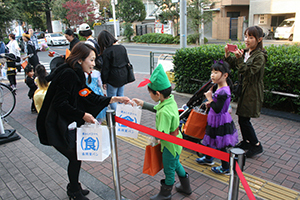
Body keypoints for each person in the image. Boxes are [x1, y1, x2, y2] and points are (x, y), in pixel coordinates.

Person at [36, 42, 131, 200]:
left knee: (76, 156)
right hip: (53, 125)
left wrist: (114, 98)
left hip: (61, 123)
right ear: (80, 60)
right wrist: (82, 115)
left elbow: (87, 95)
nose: (94, 64)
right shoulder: (69, 74)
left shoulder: (75, 73)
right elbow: (60, 104)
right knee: (75, 156)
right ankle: (73, 190)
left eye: (95, 60)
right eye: (91, 60)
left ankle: (74, 186)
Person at [132, 64, 192, 200]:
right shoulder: (170, 100)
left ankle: (165, 194)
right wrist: (143, 104)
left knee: (169, 169)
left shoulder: (164, 112)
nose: (149, 95)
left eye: (150, 93)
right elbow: (158, 108)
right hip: (177, 141)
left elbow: (161, 134)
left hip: (169, 145)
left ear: (157, 94)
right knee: (176, 164)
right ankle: (186, 187)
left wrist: (154, 140)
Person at [224, 26, 267, 158]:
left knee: (244, 118)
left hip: (252, 91)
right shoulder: (248, 52)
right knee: (242, 117)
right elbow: (234, 65)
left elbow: (248, 71)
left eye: (251, 37)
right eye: (246, 36)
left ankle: (256, 145)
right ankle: (247, 142)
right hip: (244, 89)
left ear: (259, 39)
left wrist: (239, 59)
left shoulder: (260, 56)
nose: (247, 40)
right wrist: (228, 54)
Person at [195, 60, 238, 175]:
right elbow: (218, 105)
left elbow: (218, 108)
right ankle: (208, 158)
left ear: (225, 75)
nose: (212, 75)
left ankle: (226, 168)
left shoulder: (223, 91)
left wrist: (209, 99)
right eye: (212, 72)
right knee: (210, 139)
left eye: (216, 72)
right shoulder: (219, 87)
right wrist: (211, 102)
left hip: (220, 120)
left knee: (221, 144)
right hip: (214, 119)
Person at [98, 30, 131, 110]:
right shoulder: (122, 48)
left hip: (113, 78)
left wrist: (104, 81)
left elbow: (105, 68)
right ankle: (123, 114)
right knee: (121, 96)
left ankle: (117, 116)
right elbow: (127, 61)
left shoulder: (107, 51)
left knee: (112, 99)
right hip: (123, 75)